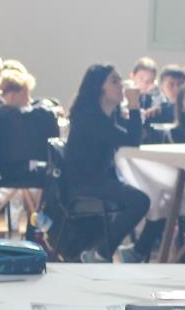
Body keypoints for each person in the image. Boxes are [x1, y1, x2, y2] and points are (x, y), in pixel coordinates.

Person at [62, 63, 150, 263]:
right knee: (140, 201)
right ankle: (101, 253)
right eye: (114, 81)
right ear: (99, 87)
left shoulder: (107, 116)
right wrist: (134, 104)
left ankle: (135, 251)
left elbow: (132, 136)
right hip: (85, 183)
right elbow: (132, 141)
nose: (121, 86)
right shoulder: (88, 118)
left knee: (152, 196)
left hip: (101, 179)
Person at [0, 64, 57, 237]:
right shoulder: (40, 117)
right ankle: (41, 229)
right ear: (11, 94)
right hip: (32, 173)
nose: (29, 98)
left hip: (3, 173)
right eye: (25, 93)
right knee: (54, 180)